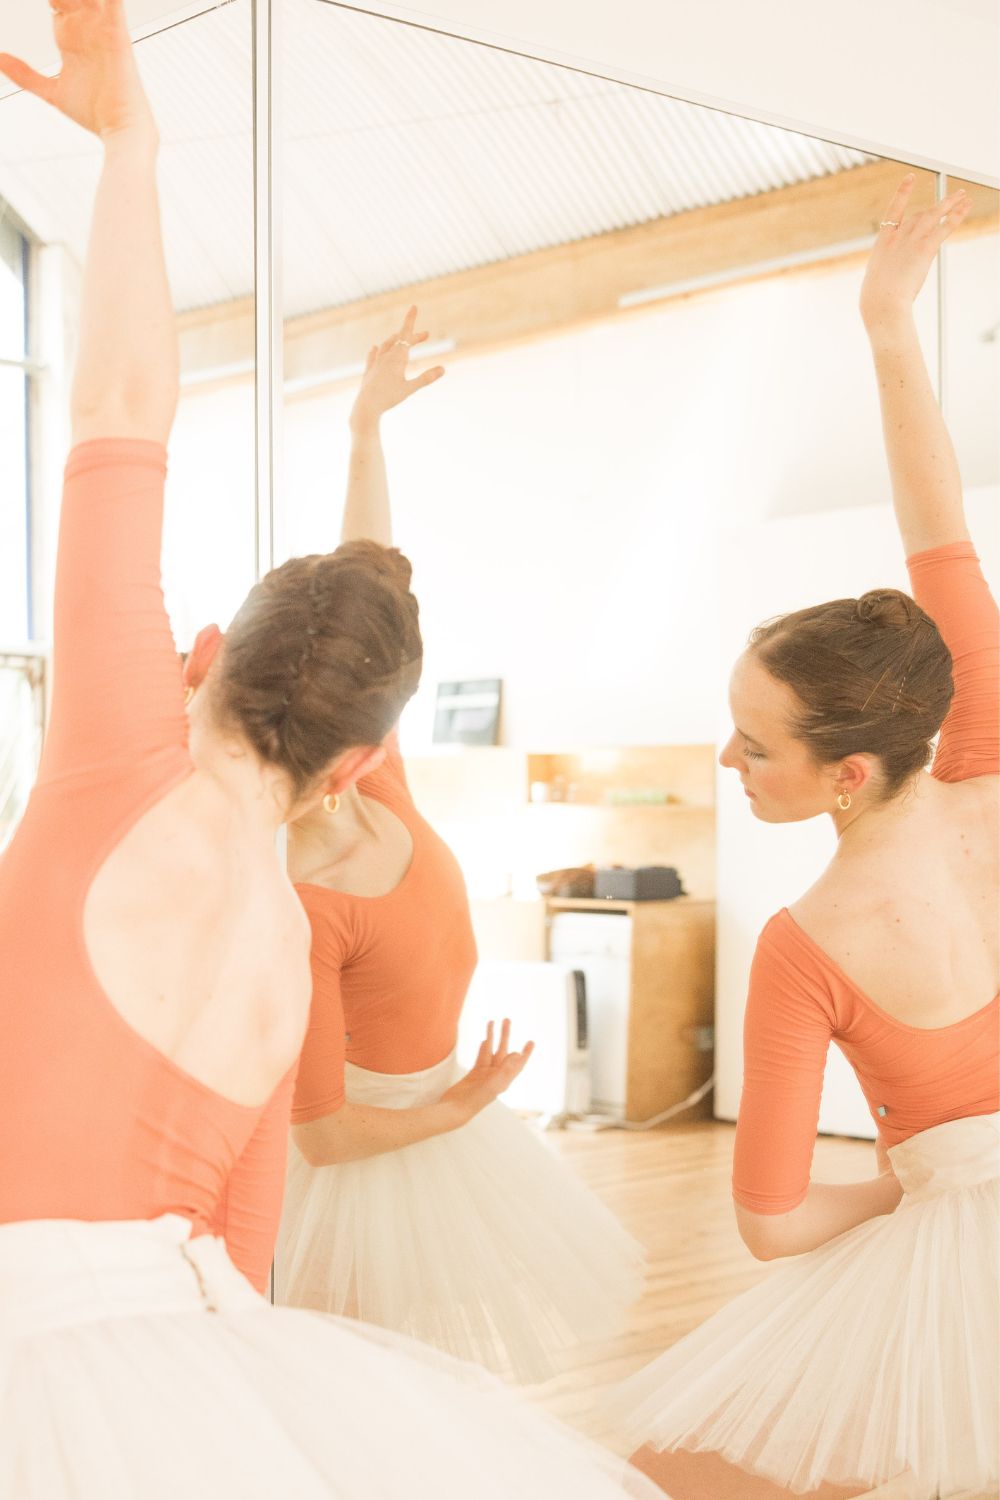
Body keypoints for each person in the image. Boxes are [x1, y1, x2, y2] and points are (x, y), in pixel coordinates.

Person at [0, 9, 665, 1497]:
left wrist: (131, 148)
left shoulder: (113, 762)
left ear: (209, 656)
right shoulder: (295, 951)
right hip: (188, 1362)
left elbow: (115, 412)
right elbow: (247, 1258)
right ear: (365, 762)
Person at [616, 176, 998, 1500]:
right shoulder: (988, 768)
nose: (725, 760)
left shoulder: (802, 949)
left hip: (950, 1242)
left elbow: (775, 1225)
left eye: (750, 743)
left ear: (841, 774)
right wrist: (890, 326)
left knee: (679, 1466)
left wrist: (932, 1191)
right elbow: (940, 535)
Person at [275, 314, 644, 1382]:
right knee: (352, 1376)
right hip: (379, 1153)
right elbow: (324, 1138)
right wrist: (460, 1105)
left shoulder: (373, 773)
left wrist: (362, 431)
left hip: (443, 1117)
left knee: (422, 1379)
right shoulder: (305, 899)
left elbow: (366, 594)